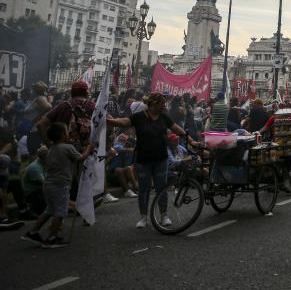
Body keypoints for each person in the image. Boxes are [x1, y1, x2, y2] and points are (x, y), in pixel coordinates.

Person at [106, 93, 192, 228]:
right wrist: (111, 121)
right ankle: (143, 217)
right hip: (143, 160)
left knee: (161, 187)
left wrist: (191, 140)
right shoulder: (139, 117)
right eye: (162, 103)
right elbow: (125, 121)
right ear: (154, 104)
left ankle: (164, 215)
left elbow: (177, 129)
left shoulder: (164, 117)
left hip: (160, 159)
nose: (164, 105)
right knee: (144, 189)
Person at [21, 123, 94, 247]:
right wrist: (89, 148)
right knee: (60, 211)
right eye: (66, 132)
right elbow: (80, 158)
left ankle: (32, 231)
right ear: (62, 135)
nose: (68, 134)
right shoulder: (67, 147)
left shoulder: (51, 149)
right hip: (61, 185)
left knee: (49, 210)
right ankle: (52, 237)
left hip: (49, 185)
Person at [21, 145, 49, 215]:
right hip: (32, 194)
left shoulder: (44, 164)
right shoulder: (35, 167)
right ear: (44, 157)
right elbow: (45, 183)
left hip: (39, 191)